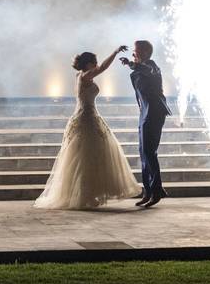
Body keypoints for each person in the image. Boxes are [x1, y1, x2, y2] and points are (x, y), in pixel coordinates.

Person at [34, 46, 142, 209]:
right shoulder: (84, 76)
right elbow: (103, 68)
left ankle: (89, 194)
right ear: (89, 64)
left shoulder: (80, 75)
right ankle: (84, 195)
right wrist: (115, 52)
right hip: (86, 117)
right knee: (87, 156)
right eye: (95, 63)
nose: (97, 65)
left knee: (90, 156)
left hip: (87, 115)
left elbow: (100, 69)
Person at [119, 40, 171, 207]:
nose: (134, 53)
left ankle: (156, 191)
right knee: (143, 153)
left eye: (136, 51)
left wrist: (131, 64)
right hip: (145, 113)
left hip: (155, 112)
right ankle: (148, 191)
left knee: (149, 152)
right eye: (134, 51)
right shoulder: (141, 67)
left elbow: (148, 71)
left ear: (145, 52)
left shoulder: (151, 66)